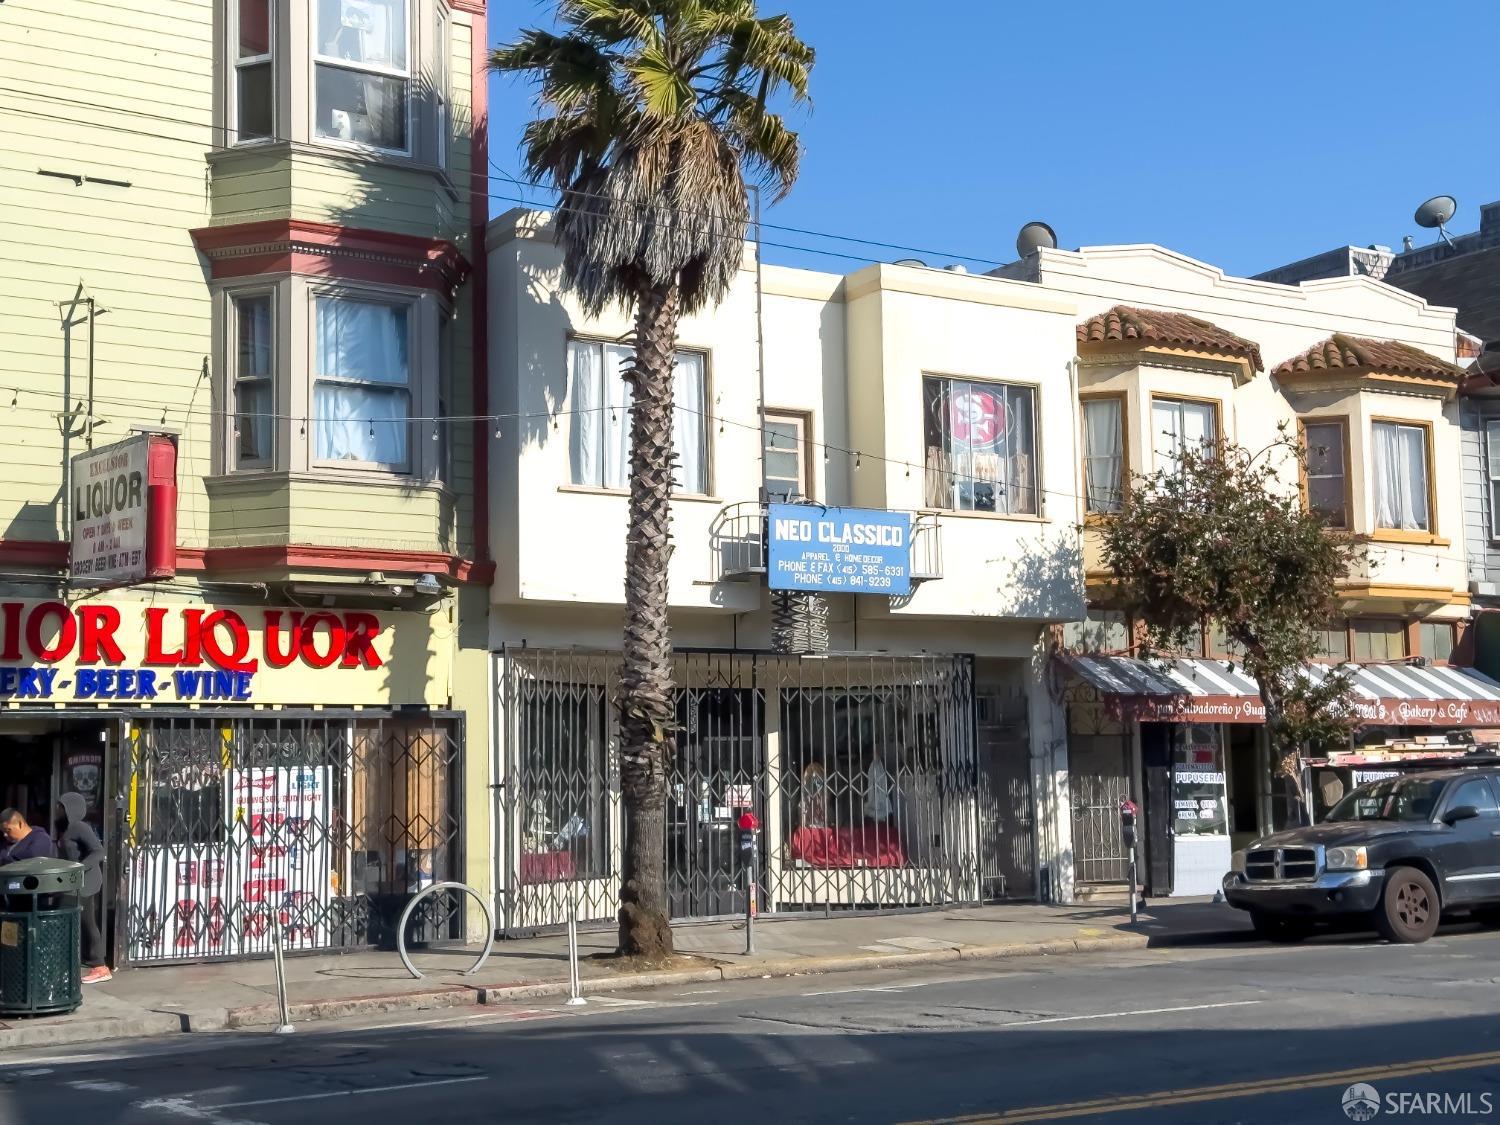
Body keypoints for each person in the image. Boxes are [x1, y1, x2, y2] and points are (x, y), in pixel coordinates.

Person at [56, 794, 110, 984]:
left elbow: (99, 851)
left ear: (71, 808)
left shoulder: (79, 827)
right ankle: (67, 965)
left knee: (87, 923)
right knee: (76, 923)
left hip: (86, 883)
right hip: (72, 883)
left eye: (61, 806)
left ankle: (99, 966)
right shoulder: (64, 827)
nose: (58, 809)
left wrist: (80, 867)